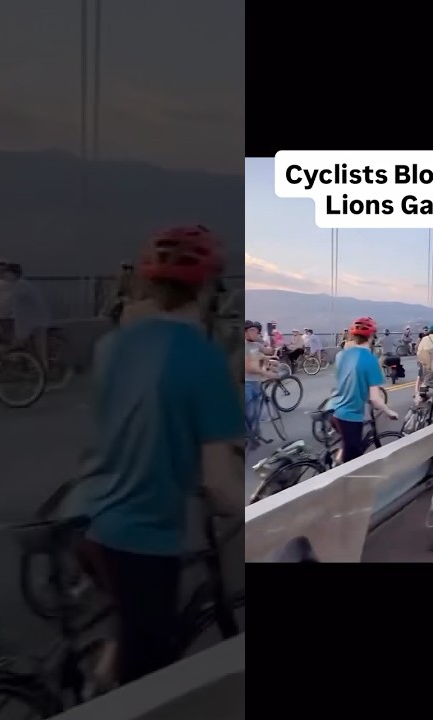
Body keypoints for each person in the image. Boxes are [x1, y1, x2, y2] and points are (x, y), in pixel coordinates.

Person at [73, 225, 242, 689]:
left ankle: (94, 687)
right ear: (209, 289)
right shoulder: (204, 358)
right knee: (148, 687)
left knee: (128, 638)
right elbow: (220, 484)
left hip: (92, 520)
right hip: (144, 540)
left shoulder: (110, 347)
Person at [327, 317, 397, 464]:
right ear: (372, 336)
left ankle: (336, 462)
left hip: (332, 409)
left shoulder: (341, 355)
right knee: (352, 465)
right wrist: (389, 412)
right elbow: (375, 399)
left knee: (346, 447)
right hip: (350, 416)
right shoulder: (370, 360)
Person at [2, 263, 52, 371]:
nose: (5, 276)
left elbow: (15, 307)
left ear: (13, 274)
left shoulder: (19, 287)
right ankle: (41, 371)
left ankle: (42, 374)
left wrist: (3, 314)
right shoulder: (24, 284)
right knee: (38, 350)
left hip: (34, 321)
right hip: (39, 320)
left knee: (37, 349)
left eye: (7, 274)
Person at [243, 320, 279, 450]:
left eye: (256, 330)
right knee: (250, 413)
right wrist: (267, 374)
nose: (255, 332)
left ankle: (253, 437)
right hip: (246, 384)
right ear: (245, 331)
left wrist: (271, 338)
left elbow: (267, 351)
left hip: (255, 383)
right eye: (252, 330)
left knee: (256, 413)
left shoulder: (255, 345)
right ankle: (248, 437)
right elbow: (248, 368)